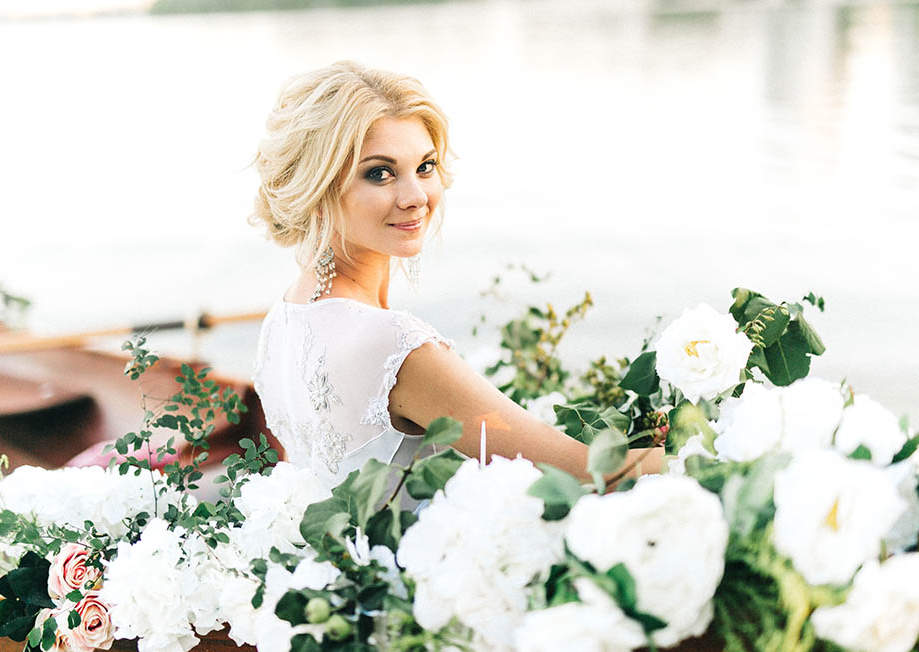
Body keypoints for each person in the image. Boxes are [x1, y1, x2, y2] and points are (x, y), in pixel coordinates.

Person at [250, 61, 662, 491]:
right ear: (316, 190)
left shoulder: (282, 319)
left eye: (425, 166)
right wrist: (712, 443)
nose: (416, 197)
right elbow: (588, 474)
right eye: (380, 173)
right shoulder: (393, 347)